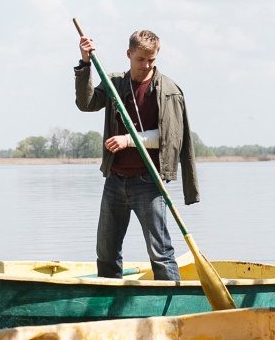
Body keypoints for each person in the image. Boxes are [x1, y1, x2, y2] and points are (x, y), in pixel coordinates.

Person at [75, 29, 199, 281]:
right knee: (107, 252)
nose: (146, 65)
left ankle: (172, 308)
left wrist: (128, 140)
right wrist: (85, 63)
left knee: (160, 253)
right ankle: (108, 305)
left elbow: (169, 139)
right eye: (140, 59)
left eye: (151, 59)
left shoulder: (169, 91)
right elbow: (86, 103)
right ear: (129, 54)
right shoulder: (115, 84)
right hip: (115, 180)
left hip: (149, 183)